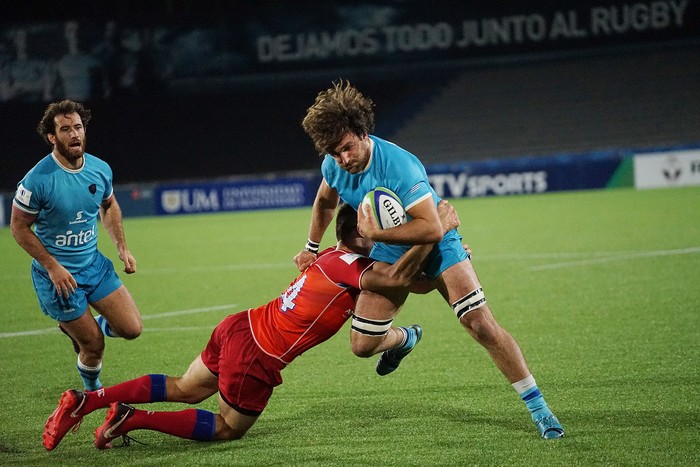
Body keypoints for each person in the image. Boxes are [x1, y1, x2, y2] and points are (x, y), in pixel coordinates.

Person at [41, 200, 460, 450]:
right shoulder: (352, 266)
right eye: (380, 233)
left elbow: (409, 285)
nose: (387, 238)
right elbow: (399, 280)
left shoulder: (335, 259)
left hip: (240, 326)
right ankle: (132, 418)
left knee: (186, 387)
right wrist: (434, 233)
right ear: (361, 236)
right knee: (226, 429)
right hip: (258, 354)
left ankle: (89, 400)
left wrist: (427, 254)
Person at [293, 80, 565, 439]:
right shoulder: (334, 165)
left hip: (437, 242)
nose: (343, 159)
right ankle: (405, 340)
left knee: (479, 323)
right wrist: (312, 246)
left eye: (346, 148)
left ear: (362, 132)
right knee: (362, 345)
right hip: (393, 248)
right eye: (334, 152)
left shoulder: (400, 166)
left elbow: (432, 228)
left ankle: (540, 410)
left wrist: (376, 236)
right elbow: (326, 201)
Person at [10, 100, 142, 393]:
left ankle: (78, 322)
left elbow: (109, 206)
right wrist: (52, 266)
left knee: (132, 329)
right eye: (65, 129)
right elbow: (18, 227)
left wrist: (122, 247)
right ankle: (92, 391)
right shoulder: (37, 180)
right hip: (59, 278)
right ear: (52, 137)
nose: (74, 134)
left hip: (94, 266)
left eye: (78, 127)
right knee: (94, 345)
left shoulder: (100, 169)